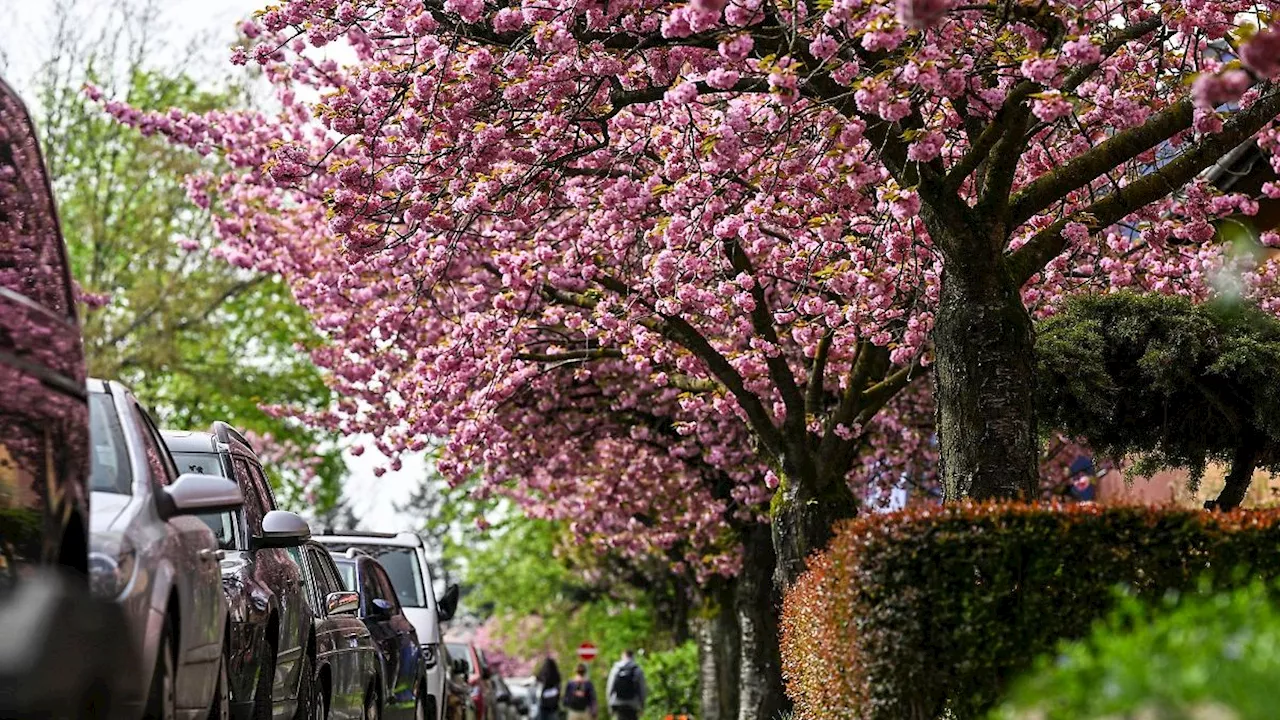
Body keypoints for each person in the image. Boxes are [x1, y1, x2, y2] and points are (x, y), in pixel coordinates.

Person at [605, 649, 647, 720]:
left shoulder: (615, 669)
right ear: (633, 657)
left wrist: (610, 706)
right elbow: (642, 689)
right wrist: (642, 706)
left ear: (623, 656)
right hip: (633, 704)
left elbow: (610, 688)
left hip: (618, 703)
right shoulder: (637, 670)